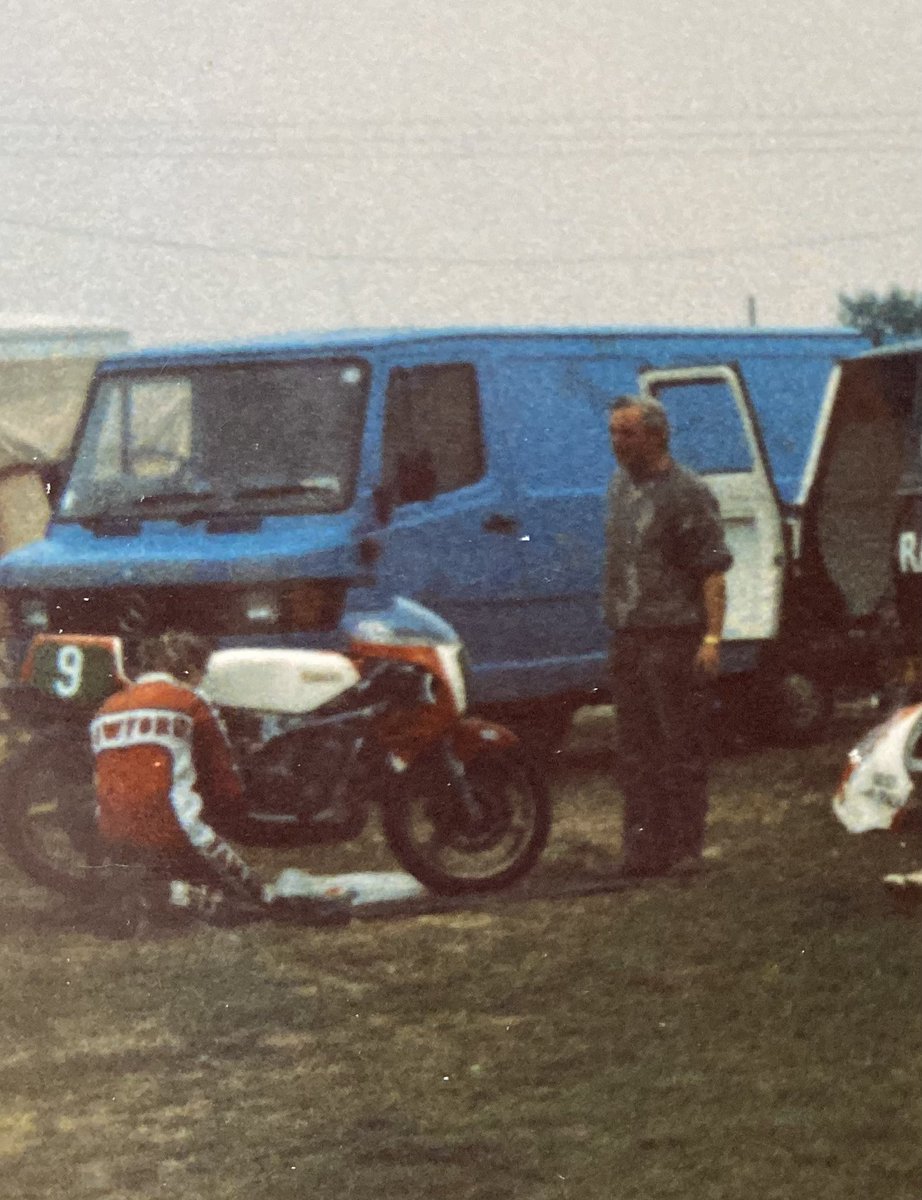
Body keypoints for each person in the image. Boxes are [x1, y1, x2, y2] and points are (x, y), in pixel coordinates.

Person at [89, 630, 350, 928]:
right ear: (193, 670)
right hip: (176, 830)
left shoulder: (105, 708)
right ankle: (163, 893)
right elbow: (222, 777)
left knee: (185, 876)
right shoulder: (190, 701)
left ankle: (149, 889)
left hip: (111, 829)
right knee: (255, 899)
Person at [604, 394, 733, 879]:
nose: (617, 443)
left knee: (679, 746)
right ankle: (642, 849)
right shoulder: (619, 487)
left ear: (656, 435)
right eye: (614, 432)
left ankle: (684, 849)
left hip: (674, 637)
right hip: (630, 637)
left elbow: (713, 572)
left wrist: (712, 639)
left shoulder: (687, 492)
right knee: (634, 752)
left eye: (628, 433)